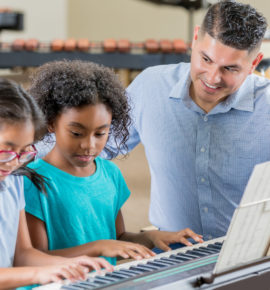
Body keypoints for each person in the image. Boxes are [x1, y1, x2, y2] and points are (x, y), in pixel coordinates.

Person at [105, 0, 270, 241]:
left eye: (230, 69)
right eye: (206, 59)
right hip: (170, 250)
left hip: (247, 253)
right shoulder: (151, 86)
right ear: (195, 40)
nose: (213, 78)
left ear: (254, 63)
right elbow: (93, 148)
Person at [24, 60, 203, 266]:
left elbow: (118, 240)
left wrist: (153, 238)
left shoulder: (110, 173)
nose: (89, 145)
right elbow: (34, 260)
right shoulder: (33, 181)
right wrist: (98, 247)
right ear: (50, 123)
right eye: (76, 133)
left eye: (101, 133)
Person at [0, 78, 112, 289]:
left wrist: (69, 264)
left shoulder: (13, 180)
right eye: (7, 149)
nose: (15, 162)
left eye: (24, 151)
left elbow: (23, 255)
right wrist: (38, 274)